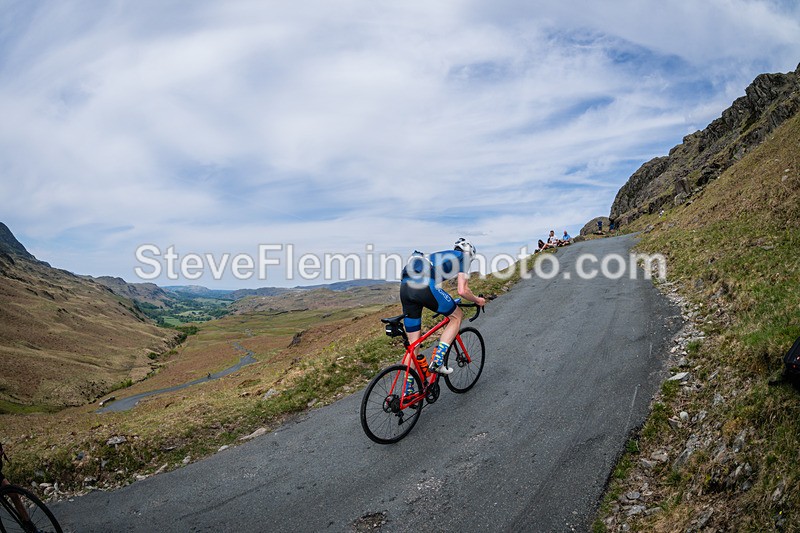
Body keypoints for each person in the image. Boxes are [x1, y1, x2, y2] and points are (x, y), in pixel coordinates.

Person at [400, 238, 486, 381]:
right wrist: (478, 300)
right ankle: (438, 362)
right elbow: (462, 290)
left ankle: (406, 390)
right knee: (457, 316)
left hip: (405, 288)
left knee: (413, 344)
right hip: (424, 285)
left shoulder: (440, 256)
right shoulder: (462, 258)